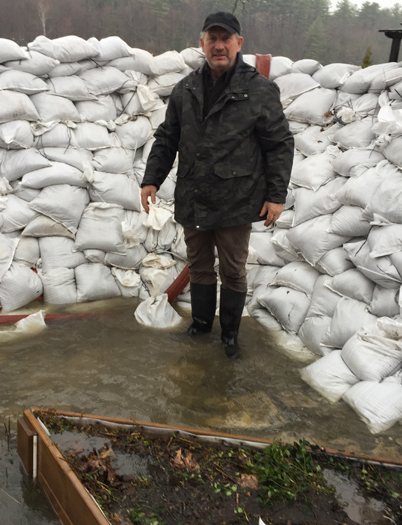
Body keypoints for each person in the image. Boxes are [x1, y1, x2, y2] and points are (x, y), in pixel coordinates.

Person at [140, 11, 294, 359]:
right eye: (213, 38)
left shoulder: (258, 89)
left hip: (236, 199)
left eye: (226, 39)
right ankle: (200, 325)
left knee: (233, 269)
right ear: (202, 43)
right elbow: (168, 137)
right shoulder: (186, 88)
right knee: (198, 264)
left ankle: (229, 335)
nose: (219, 46)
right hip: (194, 194)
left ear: (239, 43)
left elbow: (279, 143)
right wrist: (152, 178)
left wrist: (276, 195)